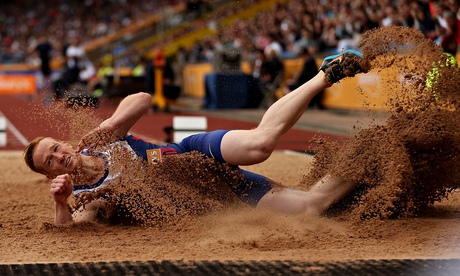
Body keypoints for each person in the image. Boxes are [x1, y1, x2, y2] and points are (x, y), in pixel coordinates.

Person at [23, 50, 368, 225]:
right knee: (312, 207)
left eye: (55, 148)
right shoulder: (85, 197)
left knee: (259, 144)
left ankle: (326, 74)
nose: (58, 156)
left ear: (64, 143)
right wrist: (59, 203)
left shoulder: (100, 139)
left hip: (194, 154)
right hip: (212, 198)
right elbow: (76, 234)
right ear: (52, 175)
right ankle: (371, 153)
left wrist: (111, 122)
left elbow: (142, 99)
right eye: (49, 162)